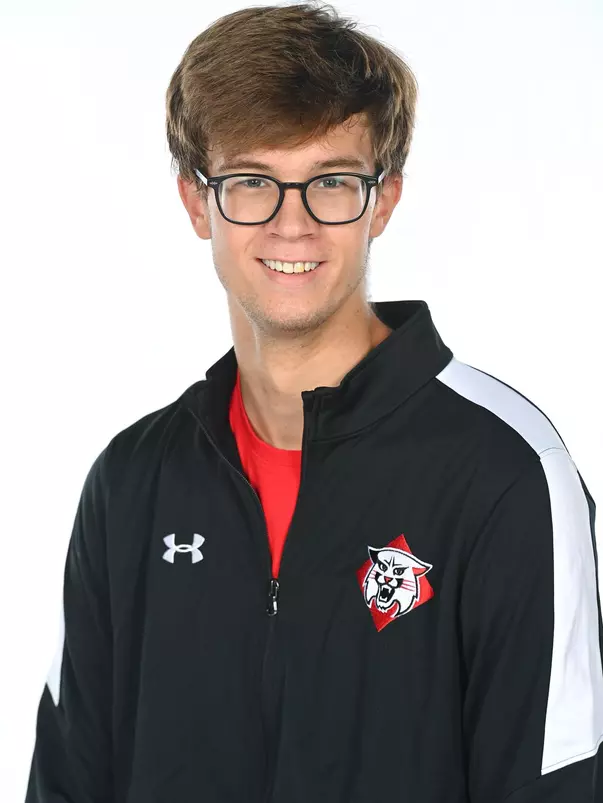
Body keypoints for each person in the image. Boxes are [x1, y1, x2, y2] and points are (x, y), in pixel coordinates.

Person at [25, 2, 603, 802]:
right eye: (250, 182)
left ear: (383, 197)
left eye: (331, 182)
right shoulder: (131, 484)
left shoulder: (504, 472)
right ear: (196, 201)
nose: (290, 223)